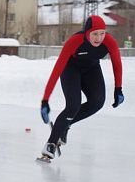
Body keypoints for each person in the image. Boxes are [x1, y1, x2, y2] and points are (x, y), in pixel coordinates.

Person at [39, 15, 124, 161]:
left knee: (97, 102)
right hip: (70, 68)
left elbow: (117, 64)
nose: (99, 38)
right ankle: (51, 144)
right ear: (87, 33)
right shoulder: (75, 41)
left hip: (91, 68)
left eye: (102, 33)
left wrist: (118, 89)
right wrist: (45, 100)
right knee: (73, 106)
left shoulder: (109, 41)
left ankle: (64, 125)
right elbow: (57, 69)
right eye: (95, 34)